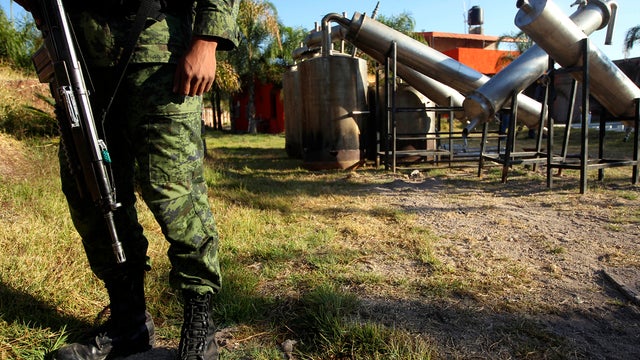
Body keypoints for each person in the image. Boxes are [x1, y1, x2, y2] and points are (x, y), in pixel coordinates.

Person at [14, 0, 239, 359]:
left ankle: (200, 324)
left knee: (173, 190)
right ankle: (128, 322)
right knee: (90, 188)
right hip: (79, 58)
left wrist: (207, 40)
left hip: (160, 53)